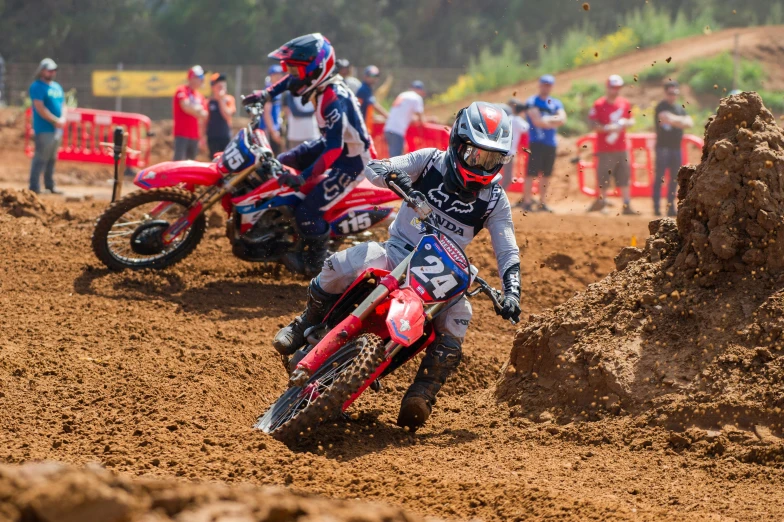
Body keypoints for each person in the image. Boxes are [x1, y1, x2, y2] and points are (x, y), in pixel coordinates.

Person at [273, 101, 521, 432]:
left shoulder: (494, 199)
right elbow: (376, 168)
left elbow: (507, 247)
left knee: (460, 318)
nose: (482, 164)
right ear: (458, 144)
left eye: (491, 158)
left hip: (443, 274)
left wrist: (512, 291)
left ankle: (422, 394)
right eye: (476, 154)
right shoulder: (431, 161)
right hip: (398, 251)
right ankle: (306, 321)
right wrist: (400, 180)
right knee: (342, 263)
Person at [242, 33, 374, 275]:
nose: (291, 75)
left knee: (308, 212)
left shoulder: (334, 99)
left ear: (316, 70)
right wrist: (265, 95)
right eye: (289, 69)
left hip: (352, 160)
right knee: (281, 162)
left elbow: (334, 149)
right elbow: (288, 82)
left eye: (295, 69)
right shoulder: (317, 83)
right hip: (331, 144)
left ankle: (315, 263)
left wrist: (303, 178)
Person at [587, 75, 635, 215]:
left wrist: (626, 123)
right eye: (613, 87)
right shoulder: (599, 104)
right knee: (604, 177)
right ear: (607, 87)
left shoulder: (624, 103)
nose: (616, 90)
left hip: (621, 147)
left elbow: (631, 120)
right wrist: (608, 128)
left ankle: (626, 205)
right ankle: (603, 204)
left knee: (624, 176)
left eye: (618, 88)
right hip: (605, 148)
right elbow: (592, 124)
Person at [523, 75, 567, 213]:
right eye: (544, 84)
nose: (546, 87)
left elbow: (562, 119)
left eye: (548, 85)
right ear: (540, 85)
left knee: (546, 174)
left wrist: (546, 120)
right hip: (536, 142)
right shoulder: (532, 101)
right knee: (531, 173)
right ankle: (527, 201)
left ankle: (542, 202)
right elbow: (537, 121)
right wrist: (552, 121)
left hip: (550, 143)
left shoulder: (556, 103)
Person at [654, 81, 692, 217]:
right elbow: (665, 117)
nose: (673, 96)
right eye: (670, 93)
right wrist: (680, 121)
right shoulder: (660, 106)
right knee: (660, 177)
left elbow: (689, 123)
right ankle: (656, 207)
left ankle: (670, 207)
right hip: (663, 148)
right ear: (665, 93)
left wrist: (674, 120)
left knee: (674, 179)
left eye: (675, 93)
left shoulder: (679, 108)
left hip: (676, 148)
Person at [28, 58, 65, 194]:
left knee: (52, 158)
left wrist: (63, 118)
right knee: (40, 158)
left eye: (54, 70)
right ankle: (34, 187)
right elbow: (40, 108)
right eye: (49, 70)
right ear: (42, 70)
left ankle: (49, 185)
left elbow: (63, 105)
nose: (52, 72)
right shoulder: (37, 86)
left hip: (57, 130)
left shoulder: (57, 87)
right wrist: (55, 120)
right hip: (44, 129)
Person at [173, 65, 207, 161]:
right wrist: (198, 109)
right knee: (178, 163)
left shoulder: (200, 96)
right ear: (192, 77)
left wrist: (194, 110)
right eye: (200, 77)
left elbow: (205, 115)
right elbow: (186, 107)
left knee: (191, 164)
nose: (202, 80)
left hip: (195, 136)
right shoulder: (182, 90)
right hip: (181, 134)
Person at [383, 81, 426, 157]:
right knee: (396, 160)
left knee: (397, 157)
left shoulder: (403, 95)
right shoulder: (416, 98)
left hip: (388, 129)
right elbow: (421, 120)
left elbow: (405, 116)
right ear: (421, 90)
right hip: (397, 131)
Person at [500, 99, 530, 191]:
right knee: (508, 178)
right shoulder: (518, 121)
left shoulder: (508, 118)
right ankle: (498, 197)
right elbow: (528, 129)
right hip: (508, 153)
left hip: (502, 151)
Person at [205, 73, 236, 158]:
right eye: (219, 87)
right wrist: (202, 138)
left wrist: (221, 100)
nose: (221, 89)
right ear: (213, 87)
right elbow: (205, 120)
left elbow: (227, 115)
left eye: (223, 86)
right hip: (212, 137)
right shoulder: (208, 102)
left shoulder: (229, 99)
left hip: (225, 135)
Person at [259, 64, 285, 156]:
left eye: (280, 74)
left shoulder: (277, 89)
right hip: (268, 130)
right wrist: (273, 131)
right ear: (271, 75)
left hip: (275, 128)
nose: (279, 76)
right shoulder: (269, 90)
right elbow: (267, 113)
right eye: (276, 74)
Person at [356, 65, 388, 130]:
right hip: (361, 127)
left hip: (364, 126)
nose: (374, 78)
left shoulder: (368, 89)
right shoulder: (364, 89)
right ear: (365, 76)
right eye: (371, 75)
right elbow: (375, 105)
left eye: (376, 76)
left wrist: (375, 117)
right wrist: (388, 117)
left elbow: (365, 109)